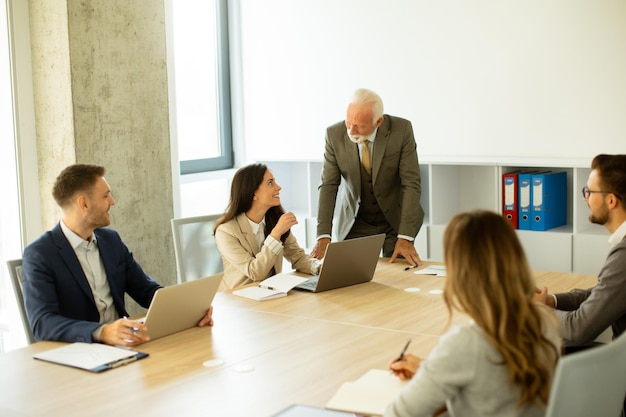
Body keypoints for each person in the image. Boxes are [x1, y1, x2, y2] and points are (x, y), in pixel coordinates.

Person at [386, 210, 560, 417]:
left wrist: (436, 370)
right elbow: (493, 376)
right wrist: (429, 367)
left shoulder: (466, 342)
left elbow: (398, 413)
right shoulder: (545, 321)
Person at [22, 164, 213, 347]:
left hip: (125, 347)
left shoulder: (110, 240)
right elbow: (42, 323)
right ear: (84, 203)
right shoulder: (39, 254)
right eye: (106, 196)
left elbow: (146, 290)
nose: (112, 201)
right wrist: (102, 332)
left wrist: (187, 309)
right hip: (81, 353)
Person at [311, 88, 424, 266]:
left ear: (378, 121)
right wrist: (323, 235)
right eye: (349, 122)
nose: (351, 130)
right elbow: (328, 185)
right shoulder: (334, 135)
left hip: (395, 219)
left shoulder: (401, 130)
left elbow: (411, 183)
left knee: (396, 275)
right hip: (356, 221)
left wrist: (405, 236)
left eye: (360, 126)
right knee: (351, 277)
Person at [535, 154, 626, 348]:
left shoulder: (624, 255)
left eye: (589, 192)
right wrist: (552, 301)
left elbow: (578, 329)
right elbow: (603, 294)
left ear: (611, 201)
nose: (585, 198)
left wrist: (537, 310)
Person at [214, 163, 320, 289]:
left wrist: (320, 267)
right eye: (270, 183)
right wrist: (275, 235)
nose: (278, 187)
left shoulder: (274, 219)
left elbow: (297, 257)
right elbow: (255, 272)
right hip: (241, 299)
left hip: (272, 293)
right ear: (253, 193)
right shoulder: (226, 232)